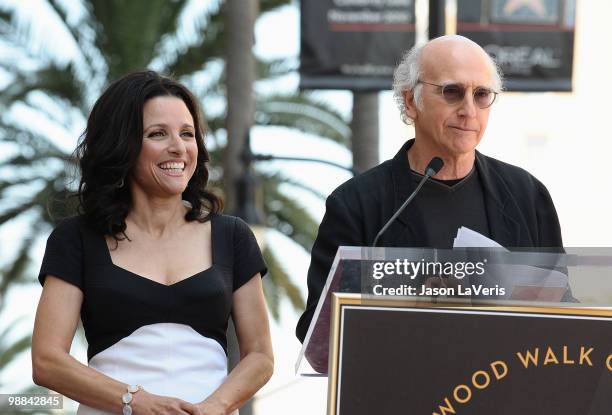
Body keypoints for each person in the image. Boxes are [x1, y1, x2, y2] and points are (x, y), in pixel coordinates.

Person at [32, 71, 273, 415]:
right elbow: (47, 361)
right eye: (158, 133)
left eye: (187, 134)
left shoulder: (232, 236)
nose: (179, 147)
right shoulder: (77, 239)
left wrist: (214, 407)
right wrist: (136, 401)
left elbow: (260, 355)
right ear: (123, 145)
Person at [296, 35, 565, 343]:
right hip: (403, 384)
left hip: (505, 383)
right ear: (411, 101)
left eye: (481, 95)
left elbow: (565, 310)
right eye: (452, 92)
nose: (469, 110)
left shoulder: (526, 195)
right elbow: (317, 332)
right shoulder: (357, 204)